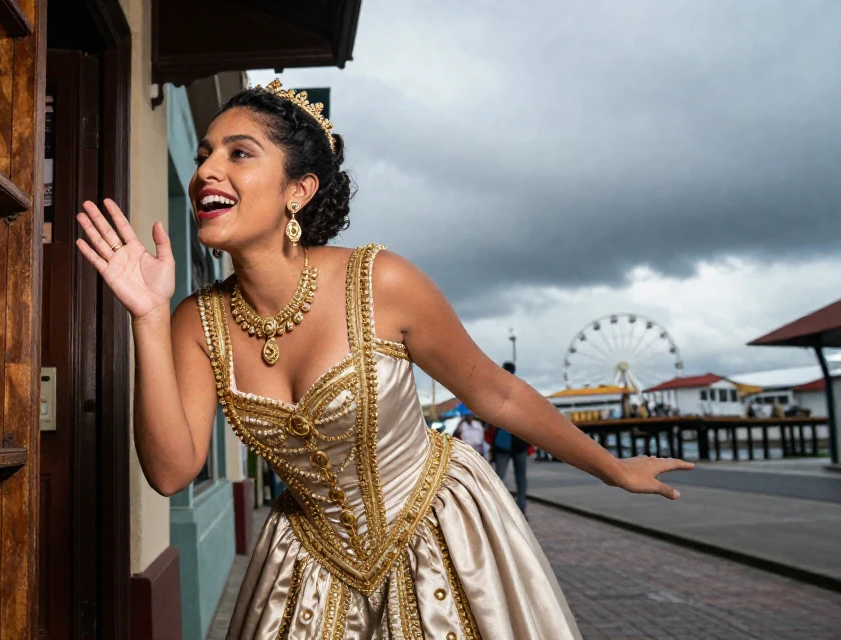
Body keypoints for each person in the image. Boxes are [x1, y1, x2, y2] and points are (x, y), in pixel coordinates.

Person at [75, 79, 691, 639]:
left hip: (444, 534)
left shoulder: (381, 282)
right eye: (203, 153)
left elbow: (496, 396)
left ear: (299, 190)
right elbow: (171, 473)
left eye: (238, 153)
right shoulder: (193, 321)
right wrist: (150, 319)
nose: (207, 169)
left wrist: (611, 469)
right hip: (307, 565)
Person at [486, 362, 533, 516]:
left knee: (499, 478)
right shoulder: (522, 391)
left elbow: (489, 417)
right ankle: (521, 511)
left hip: (503, 441)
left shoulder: (495, 391)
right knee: (521, 479)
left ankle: (499, 512)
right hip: (519, 441)